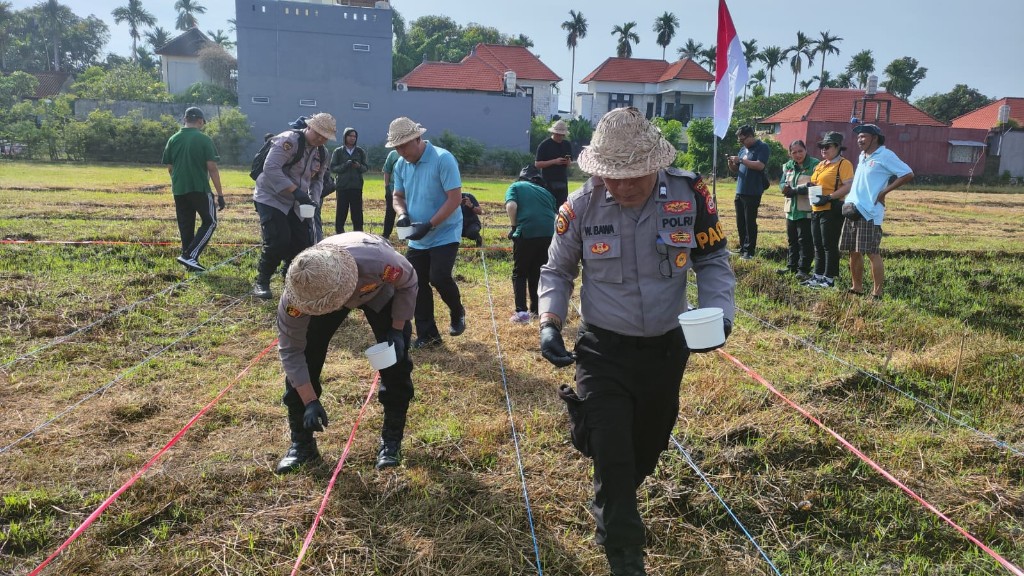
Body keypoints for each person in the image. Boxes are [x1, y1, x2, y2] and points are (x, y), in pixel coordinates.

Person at [537, 107, 735, 576]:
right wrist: (550, 321)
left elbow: (712, 260)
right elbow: (557, 271)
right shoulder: (580, 208)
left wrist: (721, 316)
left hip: (667, 349)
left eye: (633, 177)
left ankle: (614, 496)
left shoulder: (690, 195)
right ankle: (624, 554)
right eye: (612, 177)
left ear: (655, 165)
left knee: (647, 447)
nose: (622, 187)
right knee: (613, 455)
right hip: (603, 350)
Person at [273, 233, 417, 473]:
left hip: (375, 288)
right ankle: (302, 445)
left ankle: (391, 441)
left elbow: (409, 281)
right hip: (321, 300)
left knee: (395, 360)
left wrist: (396, 328)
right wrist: (309, 401)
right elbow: (292, 352)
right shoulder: (298, 297)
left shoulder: (379, 261)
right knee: (308, 357)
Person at [387, 116, 466, 348]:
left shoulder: (443, 159)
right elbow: (397, 196)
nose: (401, 152)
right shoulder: (400, 165)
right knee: (415, 283)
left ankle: (457, 311)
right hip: (417, 236)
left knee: (439, 276)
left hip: (445, 231)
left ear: (417, 139)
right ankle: (428, 335)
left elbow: (455, 199)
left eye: (404, 146)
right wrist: (402, 214)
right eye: (396, 147)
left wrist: (430, 224)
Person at [251, 112, 335, 300]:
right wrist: (295, 191)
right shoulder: (289, 140)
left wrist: (314, 200)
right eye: (318, 133)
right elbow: (270, 168)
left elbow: (318, 180)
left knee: (301, 243)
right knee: (279, 239)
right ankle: (262, 281)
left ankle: (289, 279)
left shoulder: (322, 153)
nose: (321, 139)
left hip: (297, 202)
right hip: (271, 196)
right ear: (309, 126)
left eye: (325, 137)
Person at [842, 124, 914, 298]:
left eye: (863, 136)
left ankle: (877, 293)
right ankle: (857, 288)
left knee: (872, 252)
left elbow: (907, 173)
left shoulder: (885, 155)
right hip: (853, 209)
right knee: (853, 250)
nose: (859, 140)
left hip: (870, 211)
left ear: (874, 138)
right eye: (858, 137)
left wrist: (883, 192)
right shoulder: (863, 156)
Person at [161, 106, 224, 272]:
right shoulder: (204, 139)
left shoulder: (173, 139)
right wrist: (220, 194)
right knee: (210, 222)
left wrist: (179, 181)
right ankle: (190, 256)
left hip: (179, 189)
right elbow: (212, 168)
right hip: (199, 187)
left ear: (185, 120)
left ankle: (188, 261)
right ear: (200, 121)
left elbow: (170, 167)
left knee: (186, 225)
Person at [801, 132, 854, 289]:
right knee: (817, 243)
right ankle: (818, 276)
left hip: (832, 208)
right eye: (822, 146)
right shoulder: (821, 164)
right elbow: (816, 181)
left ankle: (829, 278)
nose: (823, 149)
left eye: (827, 146)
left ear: (837, 147)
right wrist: (811, 185)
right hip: (816, 208)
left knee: (829, 244)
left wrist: (829, 197)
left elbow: (848, 186)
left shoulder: (844, 164)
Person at [506, 165, 556, 323]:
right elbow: (555, 214)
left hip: (527, 232)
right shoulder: (546, 192)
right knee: (537, 272)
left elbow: (511, 206)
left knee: (520, 273)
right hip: (549, 234)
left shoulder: (516, 186)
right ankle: (536, 309)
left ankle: (521, 313)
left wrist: (514, 227)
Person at [777, 140, 819, 280]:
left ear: (805, 150)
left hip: (806, 210)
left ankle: (803, 269)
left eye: (800, 151)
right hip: (791, 210)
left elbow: (815, 184)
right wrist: (784, 188)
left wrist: (796, 190)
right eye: (794, 152)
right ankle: (791, 267)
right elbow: (782, 182)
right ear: (790, 153)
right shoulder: (788, 166)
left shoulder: (815, 165)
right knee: (792, 240)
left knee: (805, 241)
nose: (797, 155)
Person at [727, 124, 770, 259]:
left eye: (743, 139)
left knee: (749, 222)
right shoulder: (742, 150)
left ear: (751, 136)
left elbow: (760, 165)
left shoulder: (762, 147)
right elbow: (736, 169)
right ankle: (742, 248)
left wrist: (741, 160)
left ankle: (749, 251)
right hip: (740, 190)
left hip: (753, 191)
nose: (741, 142)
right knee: (740, 222)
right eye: (739, 140)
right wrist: (731, 163)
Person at [330, 127, 368, 233]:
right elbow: (333, 168)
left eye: (354, 136)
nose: (352, 138)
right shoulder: (338, 151)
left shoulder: (360, 151)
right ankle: (339, 234)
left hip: (356, 186)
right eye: (350, 136)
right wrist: (345, 165)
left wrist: (358, 166)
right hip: (342, 187)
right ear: (345, 137)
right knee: (341, 212)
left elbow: (366, 168)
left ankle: (358, 234)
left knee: (357, 213)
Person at [535, 119, 574, 206]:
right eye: (558, 134)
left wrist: (567, 162)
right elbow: (537, 164)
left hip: (562, 181)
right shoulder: (544, 145)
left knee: (562, 206)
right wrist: (554, 162)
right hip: (548, 181)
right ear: (553, 133)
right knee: (548, 205)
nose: (560, 137)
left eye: (562, 135)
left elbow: (570, 163)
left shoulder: (567, 144)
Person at [381, 149, 400, 238]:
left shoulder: (413, 153)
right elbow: (387, 171)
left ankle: (406, 236)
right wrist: (387, 187)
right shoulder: (393, 154)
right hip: (392, 189)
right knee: (390, 213)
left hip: (409, 190)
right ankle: (386, 235)